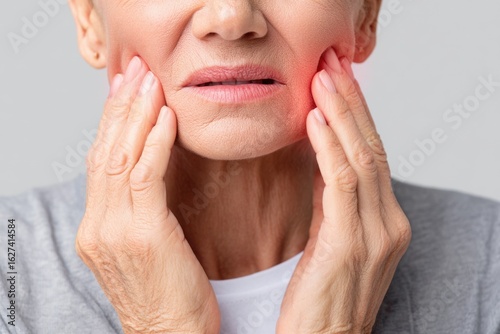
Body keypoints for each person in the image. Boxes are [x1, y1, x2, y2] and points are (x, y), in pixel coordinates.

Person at [1, 0, 499, 333]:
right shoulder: (9, 272)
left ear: (365, 15)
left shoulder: (489, 260)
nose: (232, 17)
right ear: (90, 20)